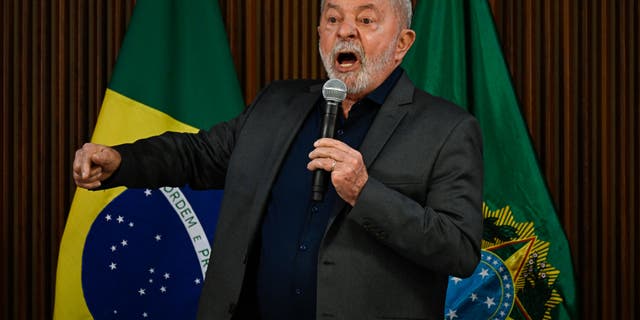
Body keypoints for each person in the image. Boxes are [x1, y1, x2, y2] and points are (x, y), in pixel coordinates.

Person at [73, 0, 483, 319]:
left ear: (403, 43)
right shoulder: (277, 103)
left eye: (366, 20)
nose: (345, 32)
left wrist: (365, 192)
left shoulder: (447, 129)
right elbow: (198, 155)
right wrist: (122, 161)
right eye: (332, 19)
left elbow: (459, 250)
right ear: (319, 33)